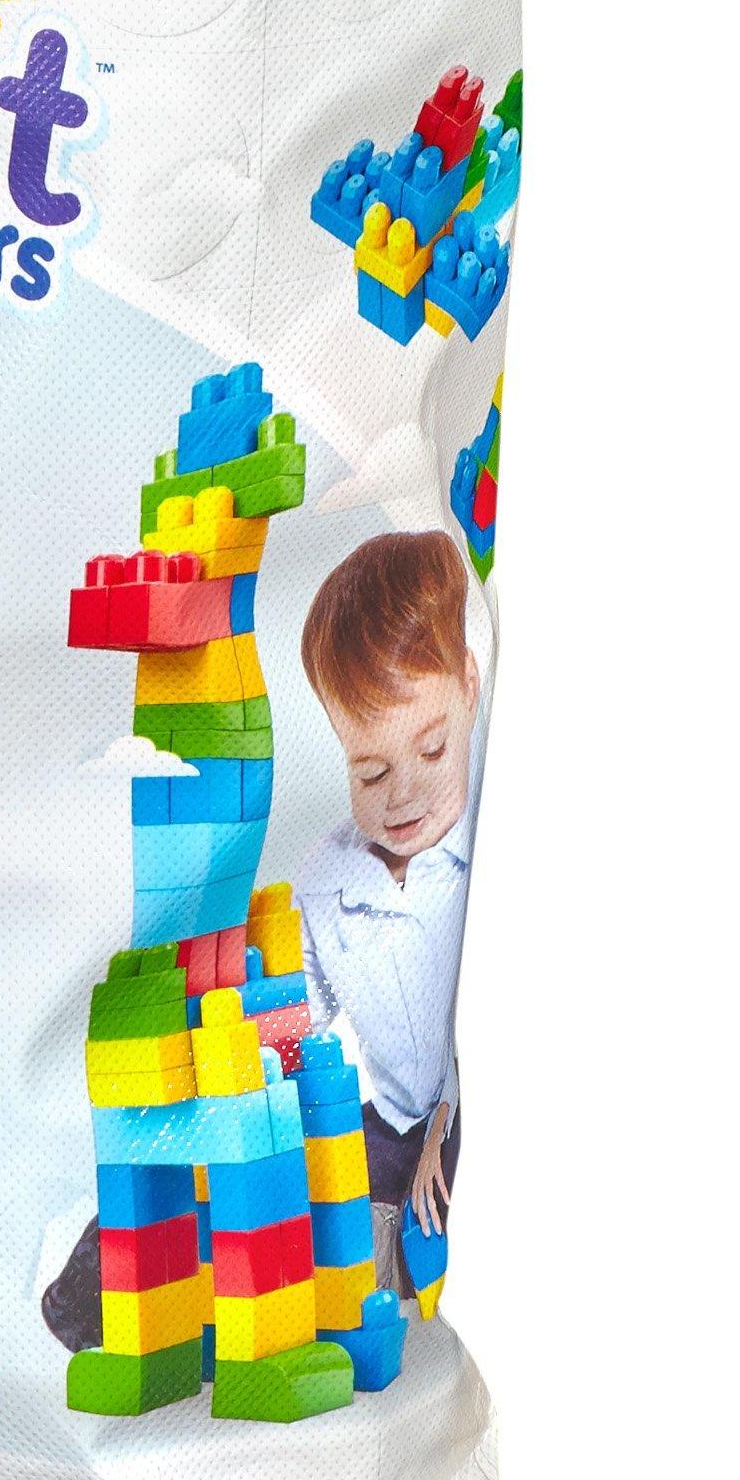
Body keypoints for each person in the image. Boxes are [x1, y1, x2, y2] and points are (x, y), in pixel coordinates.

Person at [297, 530, 480, 1291]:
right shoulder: (326, 881)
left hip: (468, 1118)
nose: (402, 795)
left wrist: (447, 1120)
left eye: (431, 751)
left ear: (470, 687)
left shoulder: (491, 841)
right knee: (314, 1213)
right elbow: (300, 1018)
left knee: (441, 1228)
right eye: (370, 772)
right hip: (392, 1121)